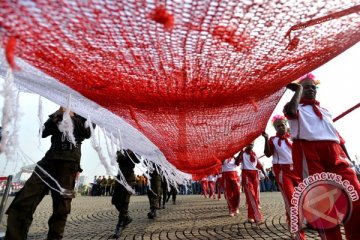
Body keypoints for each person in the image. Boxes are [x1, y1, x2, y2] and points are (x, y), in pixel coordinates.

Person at [284, 73, 360, 240]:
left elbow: (338, 138)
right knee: (324, 208)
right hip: (309, 153)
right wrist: (297, 90)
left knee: (356, 200)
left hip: (335, 152)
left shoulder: (325, 111)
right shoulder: (296, 108)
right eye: (306, 87)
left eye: (313, 87)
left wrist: (351, 164)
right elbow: (290, 111)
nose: (310, 90)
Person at [5, 106, 93, 240]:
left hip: (69, 162)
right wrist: (58, 114)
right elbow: (44, 132)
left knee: (61, 208)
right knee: (24, 199)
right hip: (48, 160)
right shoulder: (60, 111)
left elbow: (87, 132)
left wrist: (72, 115)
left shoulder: (88, 112)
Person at [262, 115, 304, 239]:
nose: (281, 127)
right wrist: (265, 139)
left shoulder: (294, 136)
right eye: (278, 126)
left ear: (286, 125)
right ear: (275, 128)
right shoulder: (273, 140)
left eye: (282, 125)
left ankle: (293, 221)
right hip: (282, 171)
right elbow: (268, 154)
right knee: (291, 199)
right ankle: (297, 231)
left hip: (296, 170)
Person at [110, 149, 140, 238]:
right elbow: (116, 160)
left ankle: (120, 225)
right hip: (120, 177)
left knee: (124, 201)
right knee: (115, 200)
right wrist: (124, 153)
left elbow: (137, 161)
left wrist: (131, 153)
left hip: (129, 178)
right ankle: (126, 218)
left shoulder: (133, 149)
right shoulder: (120, 150)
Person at [235, 142, 267, 224]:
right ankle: (257, 218)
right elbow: (237, 162)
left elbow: (259, 165)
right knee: (251, 196)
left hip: (255, 175)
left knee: (254, 197)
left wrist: (265, 174)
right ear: (245, 145)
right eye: (249, 144)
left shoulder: (254, 154)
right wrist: (240, 151)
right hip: (247, 175)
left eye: (252, 144)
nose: (251, 145)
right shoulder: (243, 154)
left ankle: (250, 217)